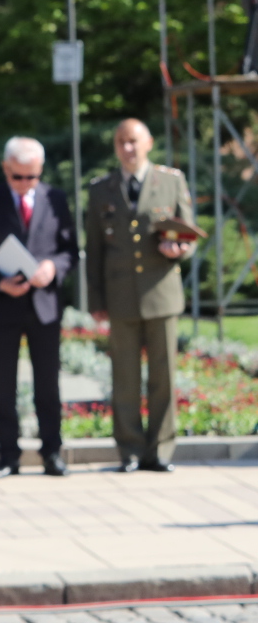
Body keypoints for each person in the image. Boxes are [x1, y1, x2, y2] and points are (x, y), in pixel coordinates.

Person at [87, 118, 196, 472]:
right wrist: (96, 300)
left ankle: (161, 450)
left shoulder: (171, 181)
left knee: (163, 376)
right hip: (120, 297)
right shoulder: (101, 189)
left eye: (133, 141)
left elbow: (189, 235)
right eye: (121, 142)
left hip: (161, 293)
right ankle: (131, 450)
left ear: (148, 143)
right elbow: (94, 249)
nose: (128, 148)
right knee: (125, 378)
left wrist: (179, 248)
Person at [0, 136, 77, 478]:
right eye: (18, 177)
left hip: (44, 304)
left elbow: (69, 250)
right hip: (3, 304)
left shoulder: (55, 199)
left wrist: (52, 268)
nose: (25, 183)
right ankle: (8, 455)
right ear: (6, 169)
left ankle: (51, 452)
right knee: (3, 383)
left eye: (32, 177)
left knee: (48, 383)